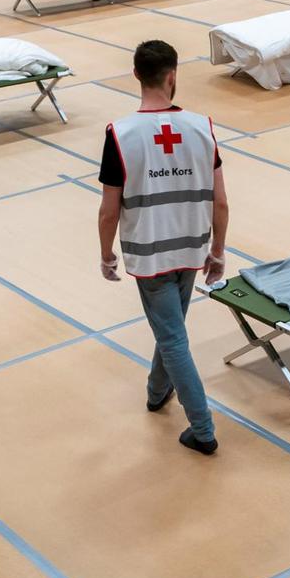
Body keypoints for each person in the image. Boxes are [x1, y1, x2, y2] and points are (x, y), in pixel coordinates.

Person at [96, 40, 228, 456]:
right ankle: (156, 392)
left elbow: (108, 210)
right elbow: (220, 201)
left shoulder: (121, 134)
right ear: (173, 76)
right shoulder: (201, 127)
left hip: (150, 254)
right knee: (171, 330)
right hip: (191, 248)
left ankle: (203, 430)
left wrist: (106, 254)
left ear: (136, 75)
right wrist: (218, 251)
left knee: (172, 338)